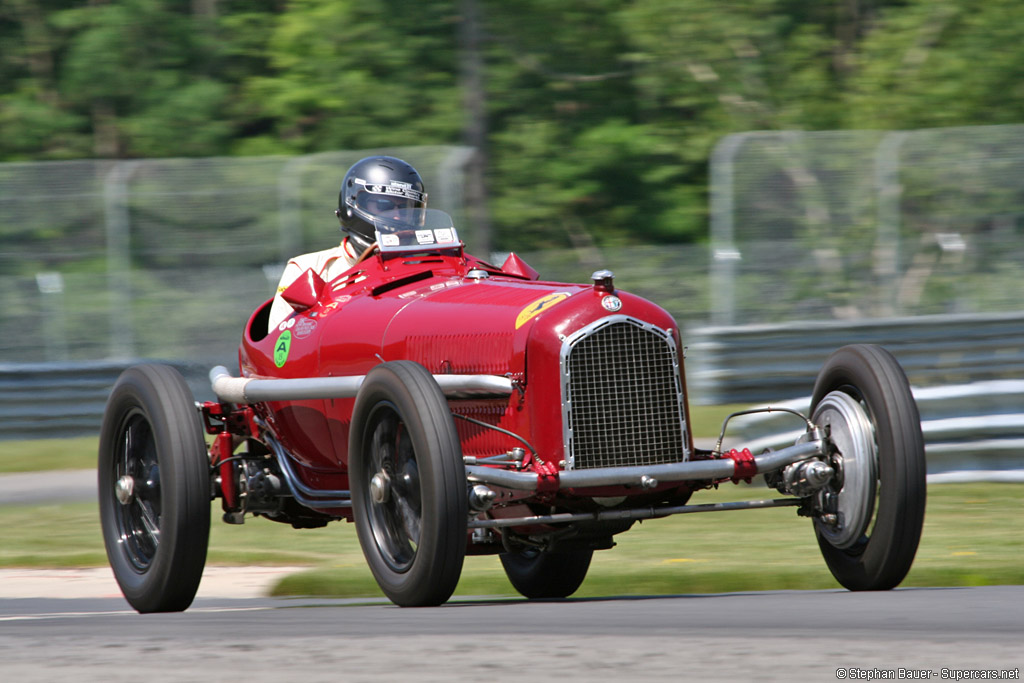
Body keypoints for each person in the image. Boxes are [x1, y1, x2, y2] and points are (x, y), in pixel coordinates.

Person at [268, 156, 428, 331]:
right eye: (384, 205)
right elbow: (281, 344)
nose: (398, 216)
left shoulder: (429, 270)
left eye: (406, 208)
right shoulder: (310, 268)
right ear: (353, 203)